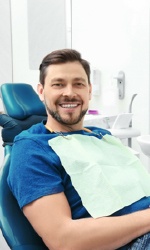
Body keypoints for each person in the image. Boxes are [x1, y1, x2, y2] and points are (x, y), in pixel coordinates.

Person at [7, 49, 150, 250]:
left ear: (89, 91)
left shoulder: (101, 136)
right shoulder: (32, 149)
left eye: (78, 84)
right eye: (58, 84)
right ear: (41, 91)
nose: (69, 92)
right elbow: (64, 240)